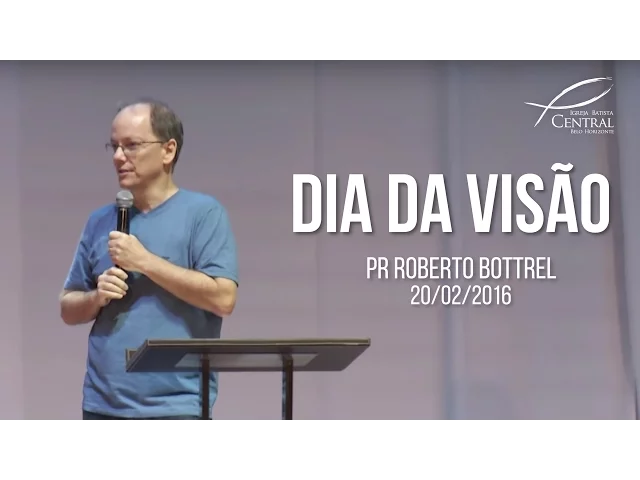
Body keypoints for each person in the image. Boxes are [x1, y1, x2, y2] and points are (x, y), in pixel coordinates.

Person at [59, 98, 239, 420]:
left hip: (176, 405)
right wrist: (97, 297)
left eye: (132, 145)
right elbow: (68, 308)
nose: (118, 157)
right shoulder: (100, 221)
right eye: (114, 146)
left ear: (168, 150)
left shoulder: (203, 214)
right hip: (102, 404)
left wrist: (144, 261)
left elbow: (223, 298)